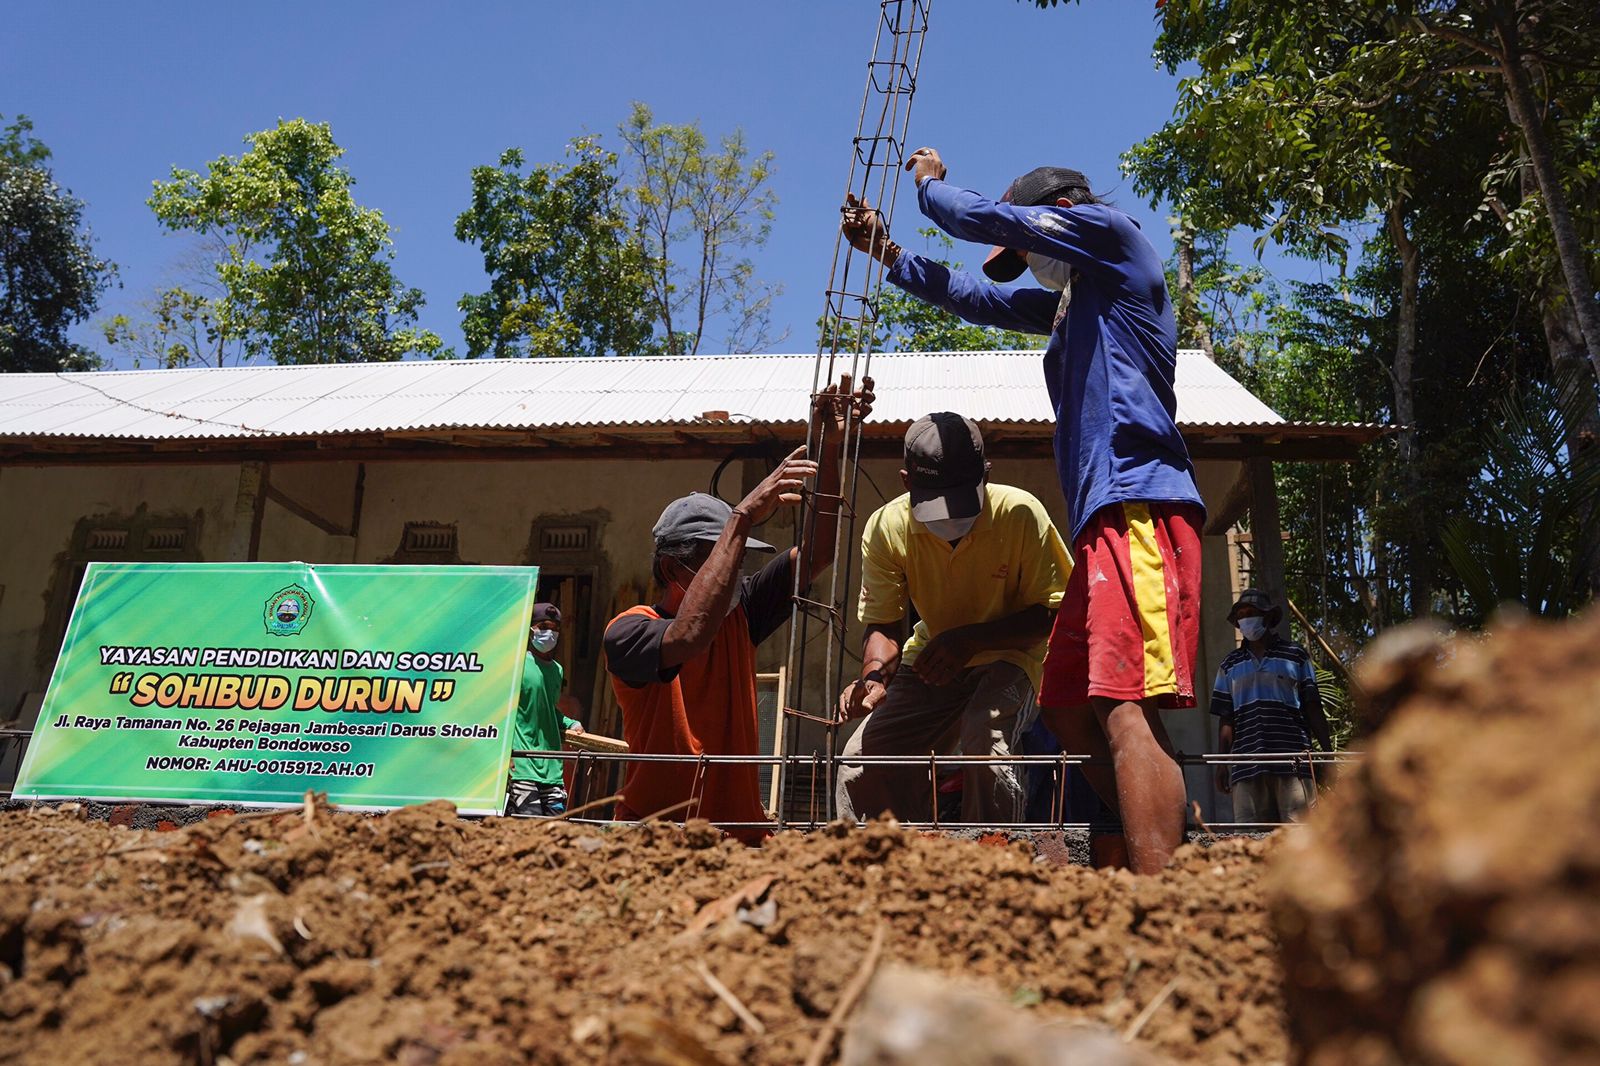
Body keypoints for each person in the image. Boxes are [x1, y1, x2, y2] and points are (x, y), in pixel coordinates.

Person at [841, 150, 1205, 873]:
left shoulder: (1111, 237)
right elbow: (978, 299)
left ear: (1061, 216)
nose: (1031, 264)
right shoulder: (1080, 302)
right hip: (1103, 517)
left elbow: (980, 220)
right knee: (1070, 704)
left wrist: (927, 185)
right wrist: (889, 256)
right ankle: (1181, 840)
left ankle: (1167, 893)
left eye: (1032, 247)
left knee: (1124, 704)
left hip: (1138, 499)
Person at [603, 378, 873, 842]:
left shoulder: (740, 612)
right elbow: (689, 636)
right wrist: (740, 519)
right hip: (656, 841)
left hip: (740, 839)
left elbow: (819, 553)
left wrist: (828, 447)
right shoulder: (629, 632)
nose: (734, 573)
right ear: (672, 566)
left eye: (739, 558)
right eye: (722, 556)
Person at [835, 412, 1070, 825]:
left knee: (986, 736)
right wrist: (873, 676)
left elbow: (1056, 613)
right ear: (907, 482)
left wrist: (971, 641)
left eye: (962, 501)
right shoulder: (887, 527)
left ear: (986, 474)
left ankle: (996, 854)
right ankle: (880, 864)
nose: (952, 519)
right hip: (933, 651)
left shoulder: (1020, 513)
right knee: (861, 758)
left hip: (1017, 654)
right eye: (935, 503)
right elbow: (884, 623)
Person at [1210, 588, 1332, 824]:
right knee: (1249, 838)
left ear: (1267, 617)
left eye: (1252, 612)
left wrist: (1326, 753)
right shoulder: (1229, 664)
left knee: (1299, 833)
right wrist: (1221, 765)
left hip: (1292, 760)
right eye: (1242, 614)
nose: (1246, 618)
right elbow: (1226, 718)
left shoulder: (1295, 655)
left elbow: (1312, 706)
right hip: (1247, 763)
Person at [506, 603, 583, 817]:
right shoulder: (516, 665)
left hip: (552, 769)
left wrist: (569, 723)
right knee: (528, 829)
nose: (549, 633)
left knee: (555, 831)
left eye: (554, 628)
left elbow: (547, 708)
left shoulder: (557, 670)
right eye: (543, 626)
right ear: (530, 629)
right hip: (522, 765)